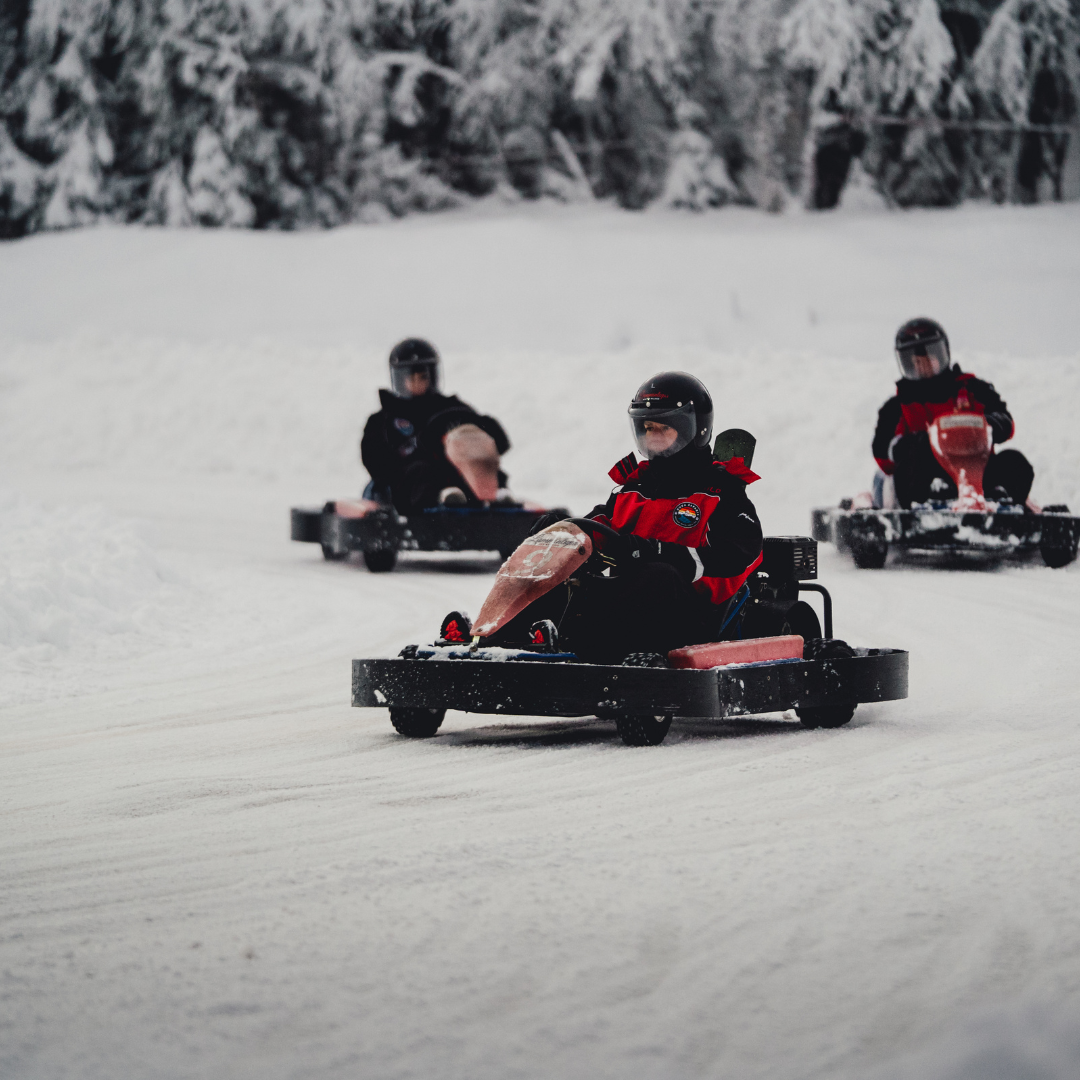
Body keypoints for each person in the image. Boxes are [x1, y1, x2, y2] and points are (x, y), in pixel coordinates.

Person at [481, 372, 764, 664]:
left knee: (658, 574)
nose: (653, 437)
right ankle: (496, 641)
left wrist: (661, 551)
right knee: (562, 571)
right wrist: (564, 531)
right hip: (632, 604)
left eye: (663, 428)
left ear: (695, 429)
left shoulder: (722, 493)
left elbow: (739, 553)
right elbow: (603, 524)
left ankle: (600, 654)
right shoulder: (635, 487)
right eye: (648, 428)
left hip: (694, 615)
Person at [872, 318, 1034, 508]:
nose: (924, 366)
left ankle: (1001, 502)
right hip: (924, 480)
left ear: (943, 354)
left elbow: (1005, 420)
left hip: (979, 474)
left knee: (1014, 462)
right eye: (916, 361)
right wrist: (909, 444)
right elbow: (882, 450)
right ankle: (930, 505)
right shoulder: (896, 407)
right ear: (906, 364)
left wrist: (990, 424)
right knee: (914, 459)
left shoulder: (974, 389)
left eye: (929, 358)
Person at [360, 338, 511, 513]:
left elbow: (487, 436)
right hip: (407, 487)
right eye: (411, 378)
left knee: (481, 467)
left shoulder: (453, 408)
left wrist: (486, 437)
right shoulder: (384, 419)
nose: (417, 383)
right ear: (399, 380)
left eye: (423, 377)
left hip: (454, 474)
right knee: (423, 472)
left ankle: (500, 502)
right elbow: (374, 459)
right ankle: (442, 507)